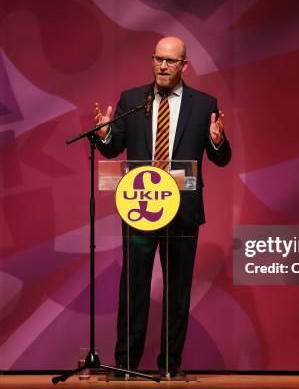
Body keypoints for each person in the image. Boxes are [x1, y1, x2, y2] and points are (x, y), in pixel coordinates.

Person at [93, 36, 231, 377]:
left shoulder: (203, 104)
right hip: (141, 208)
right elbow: (112, 151)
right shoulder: (132, 100)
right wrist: (105, 134)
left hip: (182, 212)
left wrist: (216, 141)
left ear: (184, 66)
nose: (162, 66)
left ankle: (170, 366)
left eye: (170, 61)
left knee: (178, 291)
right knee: (134, 288)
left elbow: (222, 158)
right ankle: (125, 366)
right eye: (158, 59)